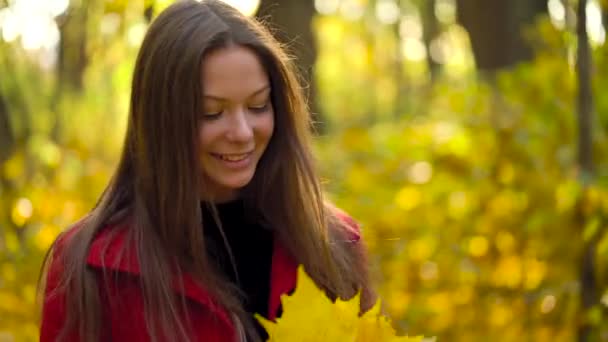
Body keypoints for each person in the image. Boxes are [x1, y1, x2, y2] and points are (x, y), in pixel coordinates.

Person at [39, 1, 375, 341]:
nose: (242, 132)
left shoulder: (335, 245)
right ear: (160, 122)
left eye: (258, 106)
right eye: (212, 113)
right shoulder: (91, 269)